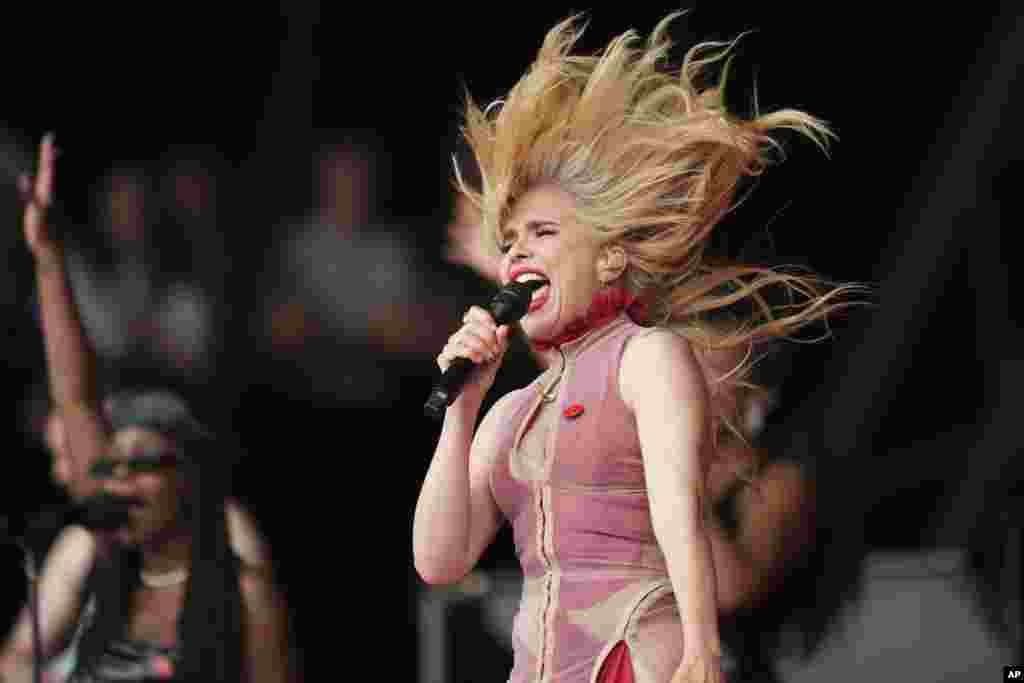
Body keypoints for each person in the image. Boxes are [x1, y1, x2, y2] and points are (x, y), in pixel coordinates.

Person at [414, 13, 859, 683]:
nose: (516, 253)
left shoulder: (690, 394)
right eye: (509, 243)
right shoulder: (517, 413)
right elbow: (439, 559)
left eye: (541, 233)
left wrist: (702, 651)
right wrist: (462, 410)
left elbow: (715, 561)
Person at [0, 135, 293, 683]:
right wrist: (47, 260)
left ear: (191, 479)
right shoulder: (109, 555)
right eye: (115, 467)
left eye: (144, 465)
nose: (122, 481)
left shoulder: (240, 589)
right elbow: (77, 399)